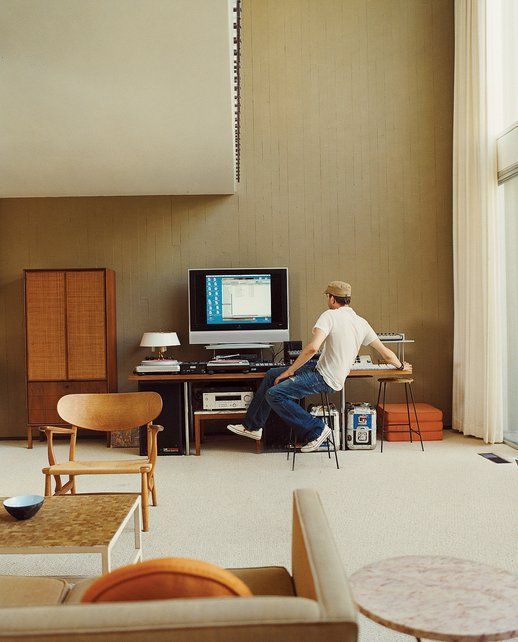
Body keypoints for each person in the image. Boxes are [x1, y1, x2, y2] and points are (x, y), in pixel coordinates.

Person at [227, 281, 408, 452]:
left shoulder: (329, 315)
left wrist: (290, 370)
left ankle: (318, 430)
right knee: (272, 374)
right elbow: (386, 354)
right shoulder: (362, 322)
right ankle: (252, 426)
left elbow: (313, 348)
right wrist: (401, 366)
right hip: (323, 371)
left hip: (324, 378)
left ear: (331, 298)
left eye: (327, 296)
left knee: (274, 394)